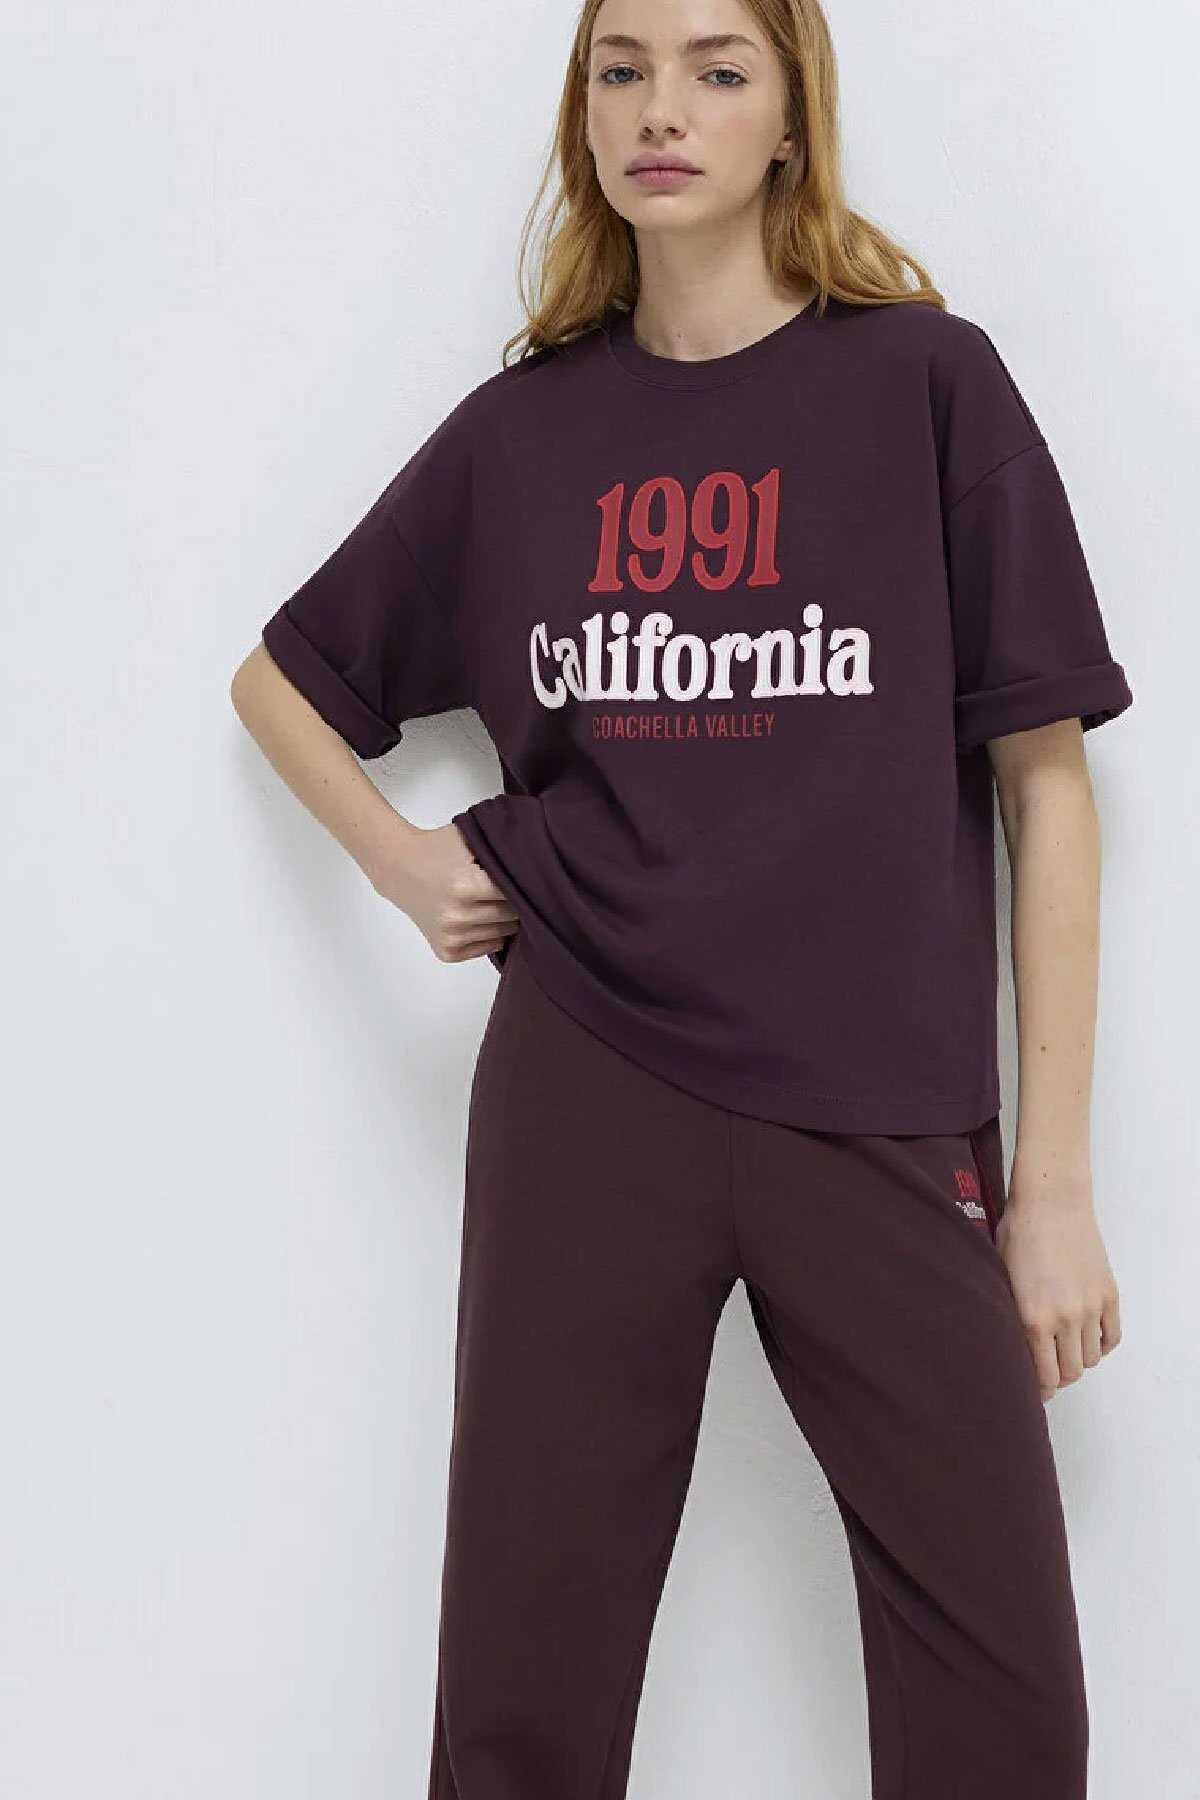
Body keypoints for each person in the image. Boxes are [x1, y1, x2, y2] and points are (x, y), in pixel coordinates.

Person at [230, 0, 1133, 1792]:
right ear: (585, 116)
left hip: (879, 1106)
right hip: (587, 1082)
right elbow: (282, 679)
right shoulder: (522, 437)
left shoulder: (928, 387)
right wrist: (407, 867)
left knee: (1004, 1701)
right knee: (526, 1684)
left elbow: (1047, 788)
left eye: (719, 69)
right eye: (622, 68)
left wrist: (1052, 1191)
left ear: (792, 118)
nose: (664, 108)